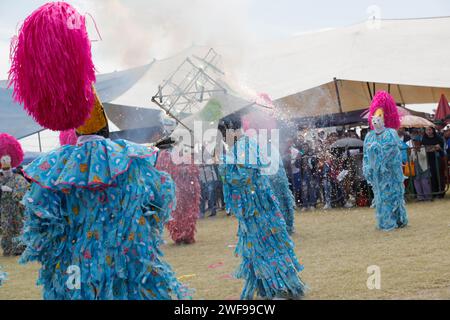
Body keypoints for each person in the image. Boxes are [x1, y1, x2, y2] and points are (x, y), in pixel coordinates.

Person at [9, 2, 188, 300]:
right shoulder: (128, 159)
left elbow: (41, 226)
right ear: (106, 126)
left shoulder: (56, 170)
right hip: (127, 263)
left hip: (76, 273)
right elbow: (157, 203)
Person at [218, 116, 307, 300]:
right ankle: (269, 288)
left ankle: (282, 288)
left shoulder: (245, 146)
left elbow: (245, 177)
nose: (222, 139)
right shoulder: (237, 148)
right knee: (257, 250)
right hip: (250, 212)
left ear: (232, 130)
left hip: (259, 209)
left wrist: (224, 163)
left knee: (268, 246)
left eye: (223, 134)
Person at [363, 91, 408, 231]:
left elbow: (391, 151)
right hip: (378, 176)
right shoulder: (369, 136)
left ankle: (399, 219)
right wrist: (367, 167)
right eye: (374, 117)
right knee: (381, 197)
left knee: (394, 195)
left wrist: (377, 151)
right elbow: (365, 154)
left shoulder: (391, 133)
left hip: (391, 172)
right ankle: (386, 221)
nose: (376, 120)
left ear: (385, 118)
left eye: (379, 117)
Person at [156, 149, 201, 244]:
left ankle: (188, 235)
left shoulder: (186, 153)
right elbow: (163, 173)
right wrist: (180, 171)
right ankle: (178, 236)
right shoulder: (164, 156)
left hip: (190, 190)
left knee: (189, 213)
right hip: (175, 190)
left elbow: (195, 169)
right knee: (175, 213)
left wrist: (187, 170)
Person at [0, 133, 29, 256]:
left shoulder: (19, 178)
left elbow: (23, 194)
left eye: (7, 159)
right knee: (6, 229)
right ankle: (8, 248)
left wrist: (12, 191)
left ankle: (19, 248)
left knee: (18, 228)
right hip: (4, 213)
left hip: (17, 212)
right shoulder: (1, 180)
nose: (5, 162)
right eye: (3, 160)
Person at [422, 127, 446, 198]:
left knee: (439, 175)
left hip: (438, 159)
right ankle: (434, 192)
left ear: (433, 130)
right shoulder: (424, 139)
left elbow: (441, 148)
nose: (428, 131)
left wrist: (438, 148)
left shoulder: (438, 138)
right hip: (429, 160)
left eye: (430, 129)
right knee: (432, 176)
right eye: (427, 130)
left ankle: (441, 192)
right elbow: (424, 148)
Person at [410, 137, 432, 201]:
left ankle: (428, 197)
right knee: (417, 182)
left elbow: (424, 156)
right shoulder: (412, 149)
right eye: (414, 141)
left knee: (425, 182)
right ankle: (420, 197)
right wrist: (409, 153)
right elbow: (411, 159)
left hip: (424, 167)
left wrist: (418, 150)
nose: (415, 143)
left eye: (416, 141)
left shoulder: (423, 147)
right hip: (416, 167)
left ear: (419, 142)